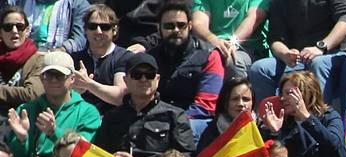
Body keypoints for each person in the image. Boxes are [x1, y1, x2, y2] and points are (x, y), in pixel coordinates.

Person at [6, 50, 100, 157]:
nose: (53, 80)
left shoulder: (88, 113)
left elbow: (81, 153)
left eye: (59, 75)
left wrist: (54, 132)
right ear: (41, 78)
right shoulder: (26, 110)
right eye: (48, 75)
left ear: (72, 78)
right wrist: (22, 139)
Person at [257, 69, 346, 157]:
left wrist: (306, 117)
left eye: (289, 93)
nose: (282, 98)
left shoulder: (329, 117)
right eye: (281, 94)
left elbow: (333, 145)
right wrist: (276, 133)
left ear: (306, 94)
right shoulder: (286, 123)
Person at [245, 0, 346, 102]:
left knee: (318, 63)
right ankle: (269, 119)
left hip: (334, 53)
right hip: (299, 60)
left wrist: (321, 47)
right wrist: (285, 53)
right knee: (259, 69)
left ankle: (318, 119)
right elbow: (275, 39)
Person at [149, 1, 225, 129]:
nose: (176, 30)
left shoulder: (210, 56)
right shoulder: (150, 58)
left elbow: (206, 106)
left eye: (181, 25)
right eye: (169, 26)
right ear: (159, 28)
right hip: (157, 119)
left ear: (190, 26)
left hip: (195, 120)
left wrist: (173, 122)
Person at [71, 4, 136, 115]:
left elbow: (120, 97)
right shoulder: (74, 58)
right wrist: (73, 91)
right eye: (92, 26)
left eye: (105, 27)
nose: (98, 31)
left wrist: (88, 84)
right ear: (85, 30)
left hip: (111, 122)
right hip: (78, 119)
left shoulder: (125, 57)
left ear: (114, 30)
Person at [193, 0, 268, 80]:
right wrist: (214, 40)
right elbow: (198, 23)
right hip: (213, 47)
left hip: (248, 50)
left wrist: (232, 43)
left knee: (232, 61)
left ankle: (241, 91)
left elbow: (255, 17)